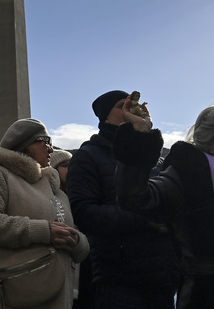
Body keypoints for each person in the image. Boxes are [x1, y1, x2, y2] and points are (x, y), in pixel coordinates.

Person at [114, 101, 214, 308]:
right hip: (208, 297)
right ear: (211, 145)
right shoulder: (191, 175)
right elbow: (135, 198)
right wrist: (140, 135)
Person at [67, 91, 176, 309]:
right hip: (119, 278)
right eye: (122, 105)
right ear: (106, 117)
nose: (132, 107)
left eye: (135, 103)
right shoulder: (88, 156)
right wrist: (145, 220)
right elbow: (83, 214)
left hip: (165, 277)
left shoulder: (157, 159)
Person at [0, 119, 89, 309]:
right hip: (16, 294)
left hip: (61, 296)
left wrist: (77, 241)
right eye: (45, 141)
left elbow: (75, 237)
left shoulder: (55, 188)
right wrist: (43, 231)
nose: (51, 148)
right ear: (24, 144)